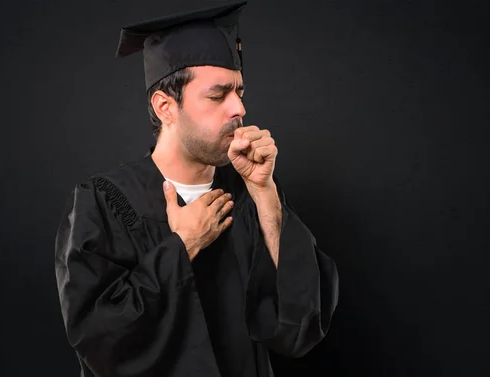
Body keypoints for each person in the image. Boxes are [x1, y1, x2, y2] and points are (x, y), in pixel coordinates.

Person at [54, 1, 339, 376]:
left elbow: (298, 328)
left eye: (239, 91)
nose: (238, 108)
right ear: (165, 107)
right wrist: (182, 246)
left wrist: (266, 196)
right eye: (218, 95)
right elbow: (100, 340)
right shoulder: (104, 202)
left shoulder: (252, 191)